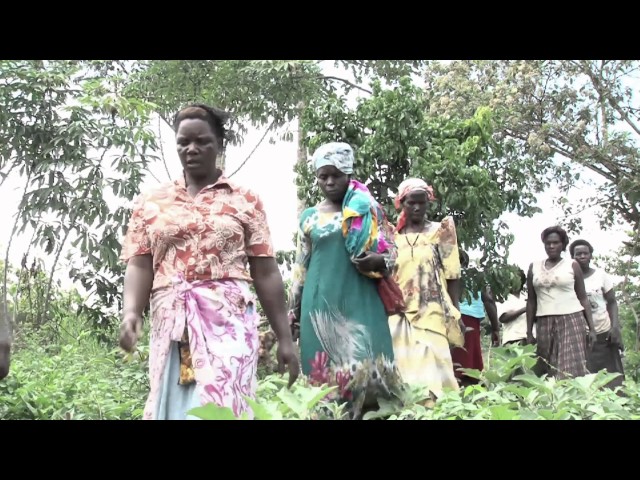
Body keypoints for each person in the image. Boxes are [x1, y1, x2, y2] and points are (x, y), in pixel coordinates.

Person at [119, 103, 299, 420]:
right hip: (174, 326)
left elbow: (266, 271)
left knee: (225, 403)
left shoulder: (245, 199)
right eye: (183, 142)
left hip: (228, 323)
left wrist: (285, 338)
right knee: (179, 402)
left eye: (202, 141)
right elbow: (140, 263)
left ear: (219, 143)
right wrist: (132, 312)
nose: (192, 149)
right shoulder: (152, 202)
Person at [287, 142, 403, 419]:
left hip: (362, 303)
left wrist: (380, 261)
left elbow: (393, 252)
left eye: (335, 174)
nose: (329, 181)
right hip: (320, 311)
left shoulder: (368, 210)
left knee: (369, 374)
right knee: (325, 385)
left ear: (348, 173)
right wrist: (293, 312)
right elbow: (300, 268)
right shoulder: (310, 217)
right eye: (322, 175)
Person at [387, 178, 464, 399]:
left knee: (436, 370)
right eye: (412, 203)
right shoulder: (392, 237)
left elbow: (452, 274)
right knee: (406, 372)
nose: (418, 207)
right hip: (399, 313)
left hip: (433, 310)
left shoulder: (441, 231)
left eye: (422, 202)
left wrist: (455, 311)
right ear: (402, 204)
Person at [526, 226, 596, 379]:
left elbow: (583, 298)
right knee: (548, 365)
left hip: (571, 319)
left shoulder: (572, 265)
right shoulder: (534, 267)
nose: (551, 246)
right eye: (548, 243)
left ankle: (574, 400)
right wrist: (529, 331)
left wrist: (591, 328)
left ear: (563, 245)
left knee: (570, 365)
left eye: (556, 243)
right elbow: (531, 301)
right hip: (544, 321)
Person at [570, 239, 625, 389]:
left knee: (613, 377)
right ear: (572, 258)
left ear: (590, 256)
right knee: (588, 378)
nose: (582, 256)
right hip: (582, 335)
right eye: (578, 254)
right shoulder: (569, 279)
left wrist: (615, 327)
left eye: (585, 253)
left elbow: (612, 302)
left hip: (604, 333)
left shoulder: (600, 275)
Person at [451, 250, 500, 386]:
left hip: (449, 319)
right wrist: (496, 328)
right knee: (469, 363)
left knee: (455, 360)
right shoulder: (475, 277)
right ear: (466, 263)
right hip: (469, 320)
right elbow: (488, 300)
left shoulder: (444, 275)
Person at [498, 268, 532, 347]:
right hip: (512, 339)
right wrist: (524, 309)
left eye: (518, 278)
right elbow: (503, 318)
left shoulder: (527, 296)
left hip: (529, 338)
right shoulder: (503, 298)